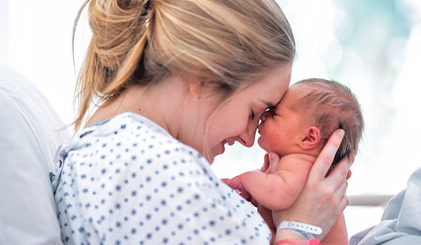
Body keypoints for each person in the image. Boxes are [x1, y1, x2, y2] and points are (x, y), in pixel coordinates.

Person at [51, 0, 353, 244]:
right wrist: (301, 227)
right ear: (204, 77)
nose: (250, 139)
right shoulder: (151, 169)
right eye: (253, 112)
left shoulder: (121, 153)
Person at [223, 78, 364, 245]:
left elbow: (278, 195)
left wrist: (244, 180)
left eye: (274, 113)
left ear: (308, 138)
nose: (263, 115)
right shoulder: (299, 166)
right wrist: (257, 192)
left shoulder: (302, 164)